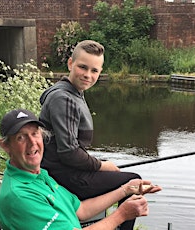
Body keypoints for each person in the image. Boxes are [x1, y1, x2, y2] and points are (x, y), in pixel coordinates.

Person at [0, 109, 161, 230]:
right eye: (21, 137)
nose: (32, 143)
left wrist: (126, 189)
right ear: (5, 145)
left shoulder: (39, 175)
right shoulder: (18, 196)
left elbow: (81, 210)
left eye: (35, 134)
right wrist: (122, 214)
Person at [39, 40, 141, 229]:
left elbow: (72, 147)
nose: (88, 75)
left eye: (94, 70)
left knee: (119, 174)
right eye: (82, 67)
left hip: (63, 168)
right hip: (62, 175)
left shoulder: (72, 92)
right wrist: (102, 165)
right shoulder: (64, 98)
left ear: (100, 72)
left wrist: (99, 164)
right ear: (70, 63)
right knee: (133, 181)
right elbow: (69, 152)